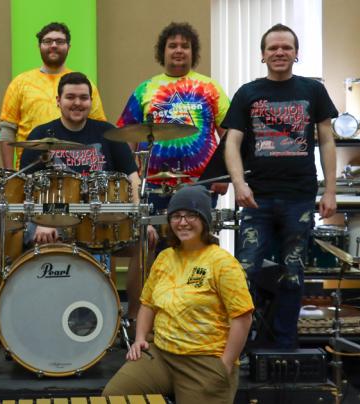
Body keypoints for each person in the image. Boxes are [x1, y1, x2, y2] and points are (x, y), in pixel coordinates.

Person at [223, 23, 338, 348]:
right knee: (245, 272)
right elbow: (232, 143)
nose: (279, 52)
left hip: (299, 198)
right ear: (262, 55)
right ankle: (243, 347)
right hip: (256, 199)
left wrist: (330, 190)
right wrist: (238, 184)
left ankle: (283, 347)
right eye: (273, 48)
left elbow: (327, 141)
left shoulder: (312, 91)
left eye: (286, 47)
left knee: (292, 274)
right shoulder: (248, 92)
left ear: (296, 53)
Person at [117, 22, 230, 319]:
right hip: (152, 185)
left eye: (185, 45)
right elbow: (124, 138)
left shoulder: (210, 87)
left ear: (193, 52)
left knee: (196, 251)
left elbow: (229, 136)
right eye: (172, 45)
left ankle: (192, 315)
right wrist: (132, 182)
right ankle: (135, 320)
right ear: (162, 51)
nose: (179, 50)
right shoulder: (145, 89)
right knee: (145, 251)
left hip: (200, 186)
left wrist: (224, 176)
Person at [103, 186, 254, 403]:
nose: (182, 222)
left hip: (204, 360)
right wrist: (139, 339)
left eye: (191, 215)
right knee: (114, 397)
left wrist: (226, 364)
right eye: (176, 216)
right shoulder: (166, 257)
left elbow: (242, 317)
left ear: (204, 220)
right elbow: (147, 303)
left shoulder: (223, 263)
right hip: (162, 354)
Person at [19, 72, 139, 244]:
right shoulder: (40, 135)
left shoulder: (109, 133)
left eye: (83, 98)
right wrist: (42, 221)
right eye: (70, 97)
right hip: (53, 216)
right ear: (58, 100)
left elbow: (132, 177)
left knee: (142, 238)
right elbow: (26, 187)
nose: (77, 103)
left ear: (91, 101)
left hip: (101, 218)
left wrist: (138, 218)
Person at [0, 22, 107, 170]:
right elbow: (7, 130)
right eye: (47, 41)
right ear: (39, 46)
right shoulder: (19, 83)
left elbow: (98, 127)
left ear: (69, 47)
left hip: (76, 170)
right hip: (31, 169)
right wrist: (9, 173)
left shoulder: (83, 84)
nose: (54, 45)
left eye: (60, 41)